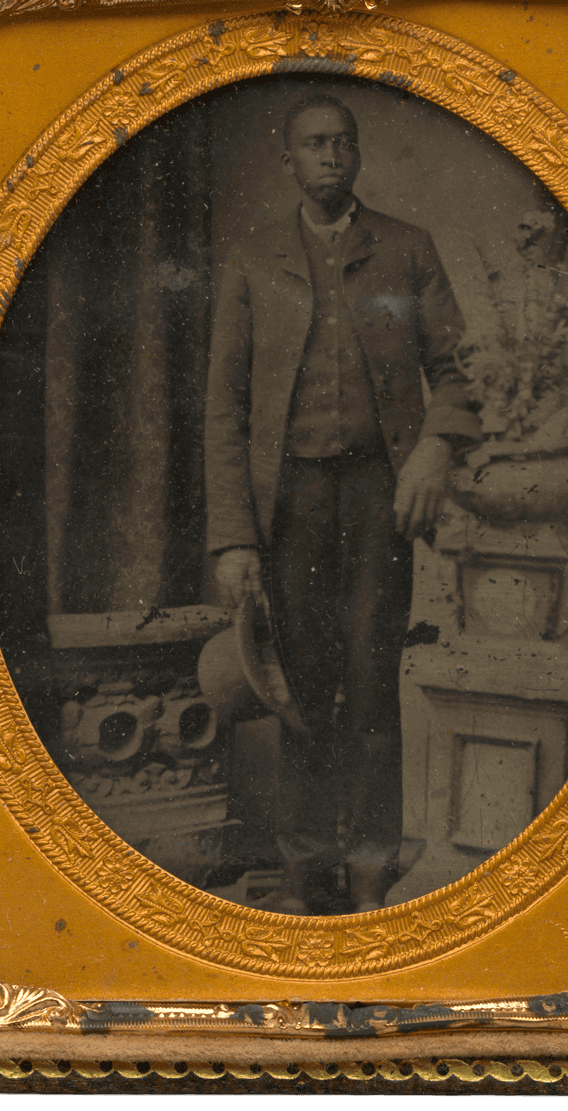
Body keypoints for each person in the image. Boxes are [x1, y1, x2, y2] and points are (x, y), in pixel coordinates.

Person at [205, 91, 481, 914]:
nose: (331, 155)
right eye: (314, 144)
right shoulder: (252, 261)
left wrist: (434, 447)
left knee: (367, 680)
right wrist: (233, 539)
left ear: (358, 156)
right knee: (294, 682)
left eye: (343, 143)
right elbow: (224, 407)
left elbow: (458, 370)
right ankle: (304, 866)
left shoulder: (406, 248)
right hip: (285, 502)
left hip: (376, 498)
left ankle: (369, 868)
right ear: (289, 161)